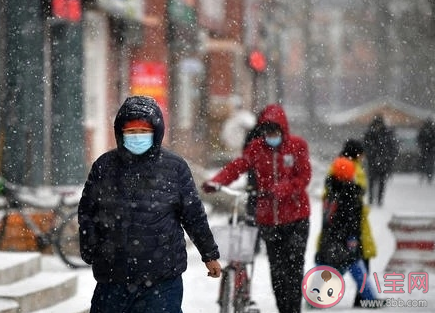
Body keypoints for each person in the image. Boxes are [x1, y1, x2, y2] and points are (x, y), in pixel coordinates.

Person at [78, 95, 221, 313]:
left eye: (143, 131)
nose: (137, 137)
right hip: (113, 277)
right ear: (120, 133)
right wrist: (90, 247)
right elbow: (88, 212)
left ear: (156, 132)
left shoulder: (175, 168)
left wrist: (209, 254)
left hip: (162, 278)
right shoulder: (105, 167)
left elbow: (193, 215)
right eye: (131, 131)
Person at [203, 103, 311, 313]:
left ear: (283, 129)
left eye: (275, 131)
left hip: (296, 218)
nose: (271, 135)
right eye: (267, 131)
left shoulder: (297, 146)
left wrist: (284, 189)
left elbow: (303, 177)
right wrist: (217, 181)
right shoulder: (256, 148)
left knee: (294, 270)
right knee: (277, 271)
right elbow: (238, 166)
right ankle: (283, 308)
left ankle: (293, 310)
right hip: (269, 219)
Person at [315, 150, 379, 304]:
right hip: (347, 238)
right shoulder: (351, 194)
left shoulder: (330, 191)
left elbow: (328, 217)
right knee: (355, 266)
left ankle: (315, 298)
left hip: (329, 237)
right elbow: (353, 219)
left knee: (325, 265)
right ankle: (370, 298)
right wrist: (352, 237)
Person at [363, 115, 398, 206]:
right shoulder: (370, 134)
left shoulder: (386, 134)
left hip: (383, 162)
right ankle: (371, 199)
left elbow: (392, 147)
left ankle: (379, 200)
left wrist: (387, 157)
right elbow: (365, 146)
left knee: (381, 182)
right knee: (372, 181)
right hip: (373, 161)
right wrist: (371, 155)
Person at [416, 117, 435, 184]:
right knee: (428, 163)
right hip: (428, 149)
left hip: (426, 149)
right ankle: (427, 175)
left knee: (424, 163)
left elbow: (419, 139)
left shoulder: (424, 130)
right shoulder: (430, 130)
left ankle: (424, 175)